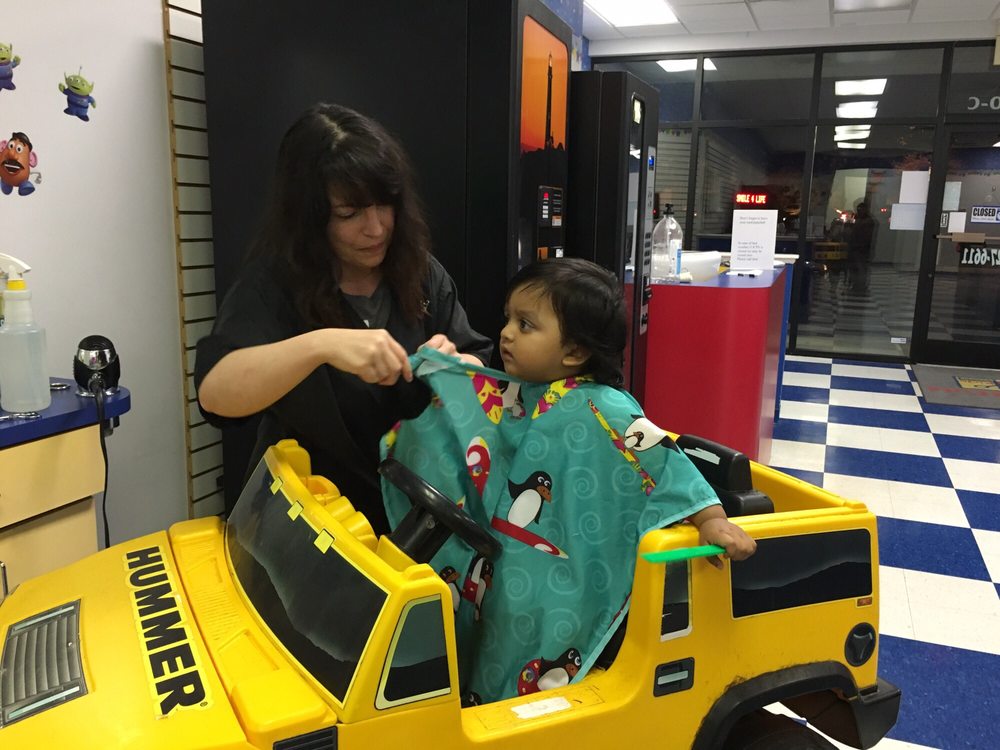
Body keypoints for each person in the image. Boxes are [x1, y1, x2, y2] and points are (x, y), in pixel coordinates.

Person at [381, 257, 755, 703]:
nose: (506, 334)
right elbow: (477, 429)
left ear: (574, 353)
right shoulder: (524, 393)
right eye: (508, 319)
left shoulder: (604, 408)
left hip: (561, 579)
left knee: (528, 636)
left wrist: (712, 521)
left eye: (525, 325)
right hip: (507, 564)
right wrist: (450, 373)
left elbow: (666, 467)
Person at [195, 103, 493, 535]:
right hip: (310, 527)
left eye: (384, 205)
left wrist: (456, 367)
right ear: (310, 217)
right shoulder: (275, 284)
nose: (376, 229)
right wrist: (322, 345)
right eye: (349, 214)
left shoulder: (421, 272)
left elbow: (479, 366)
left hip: (414, 519)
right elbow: (215, 394)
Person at [847, 201, 877, 292]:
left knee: (860, 268)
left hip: (861, 248)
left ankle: (860, 286)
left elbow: (865, 236)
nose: (859, 211)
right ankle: (856, 285)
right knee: (855, 268)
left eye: (861, 210)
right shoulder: (860, 220)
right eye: (858, 210)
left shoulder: (867, 221)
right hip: (856, 247)